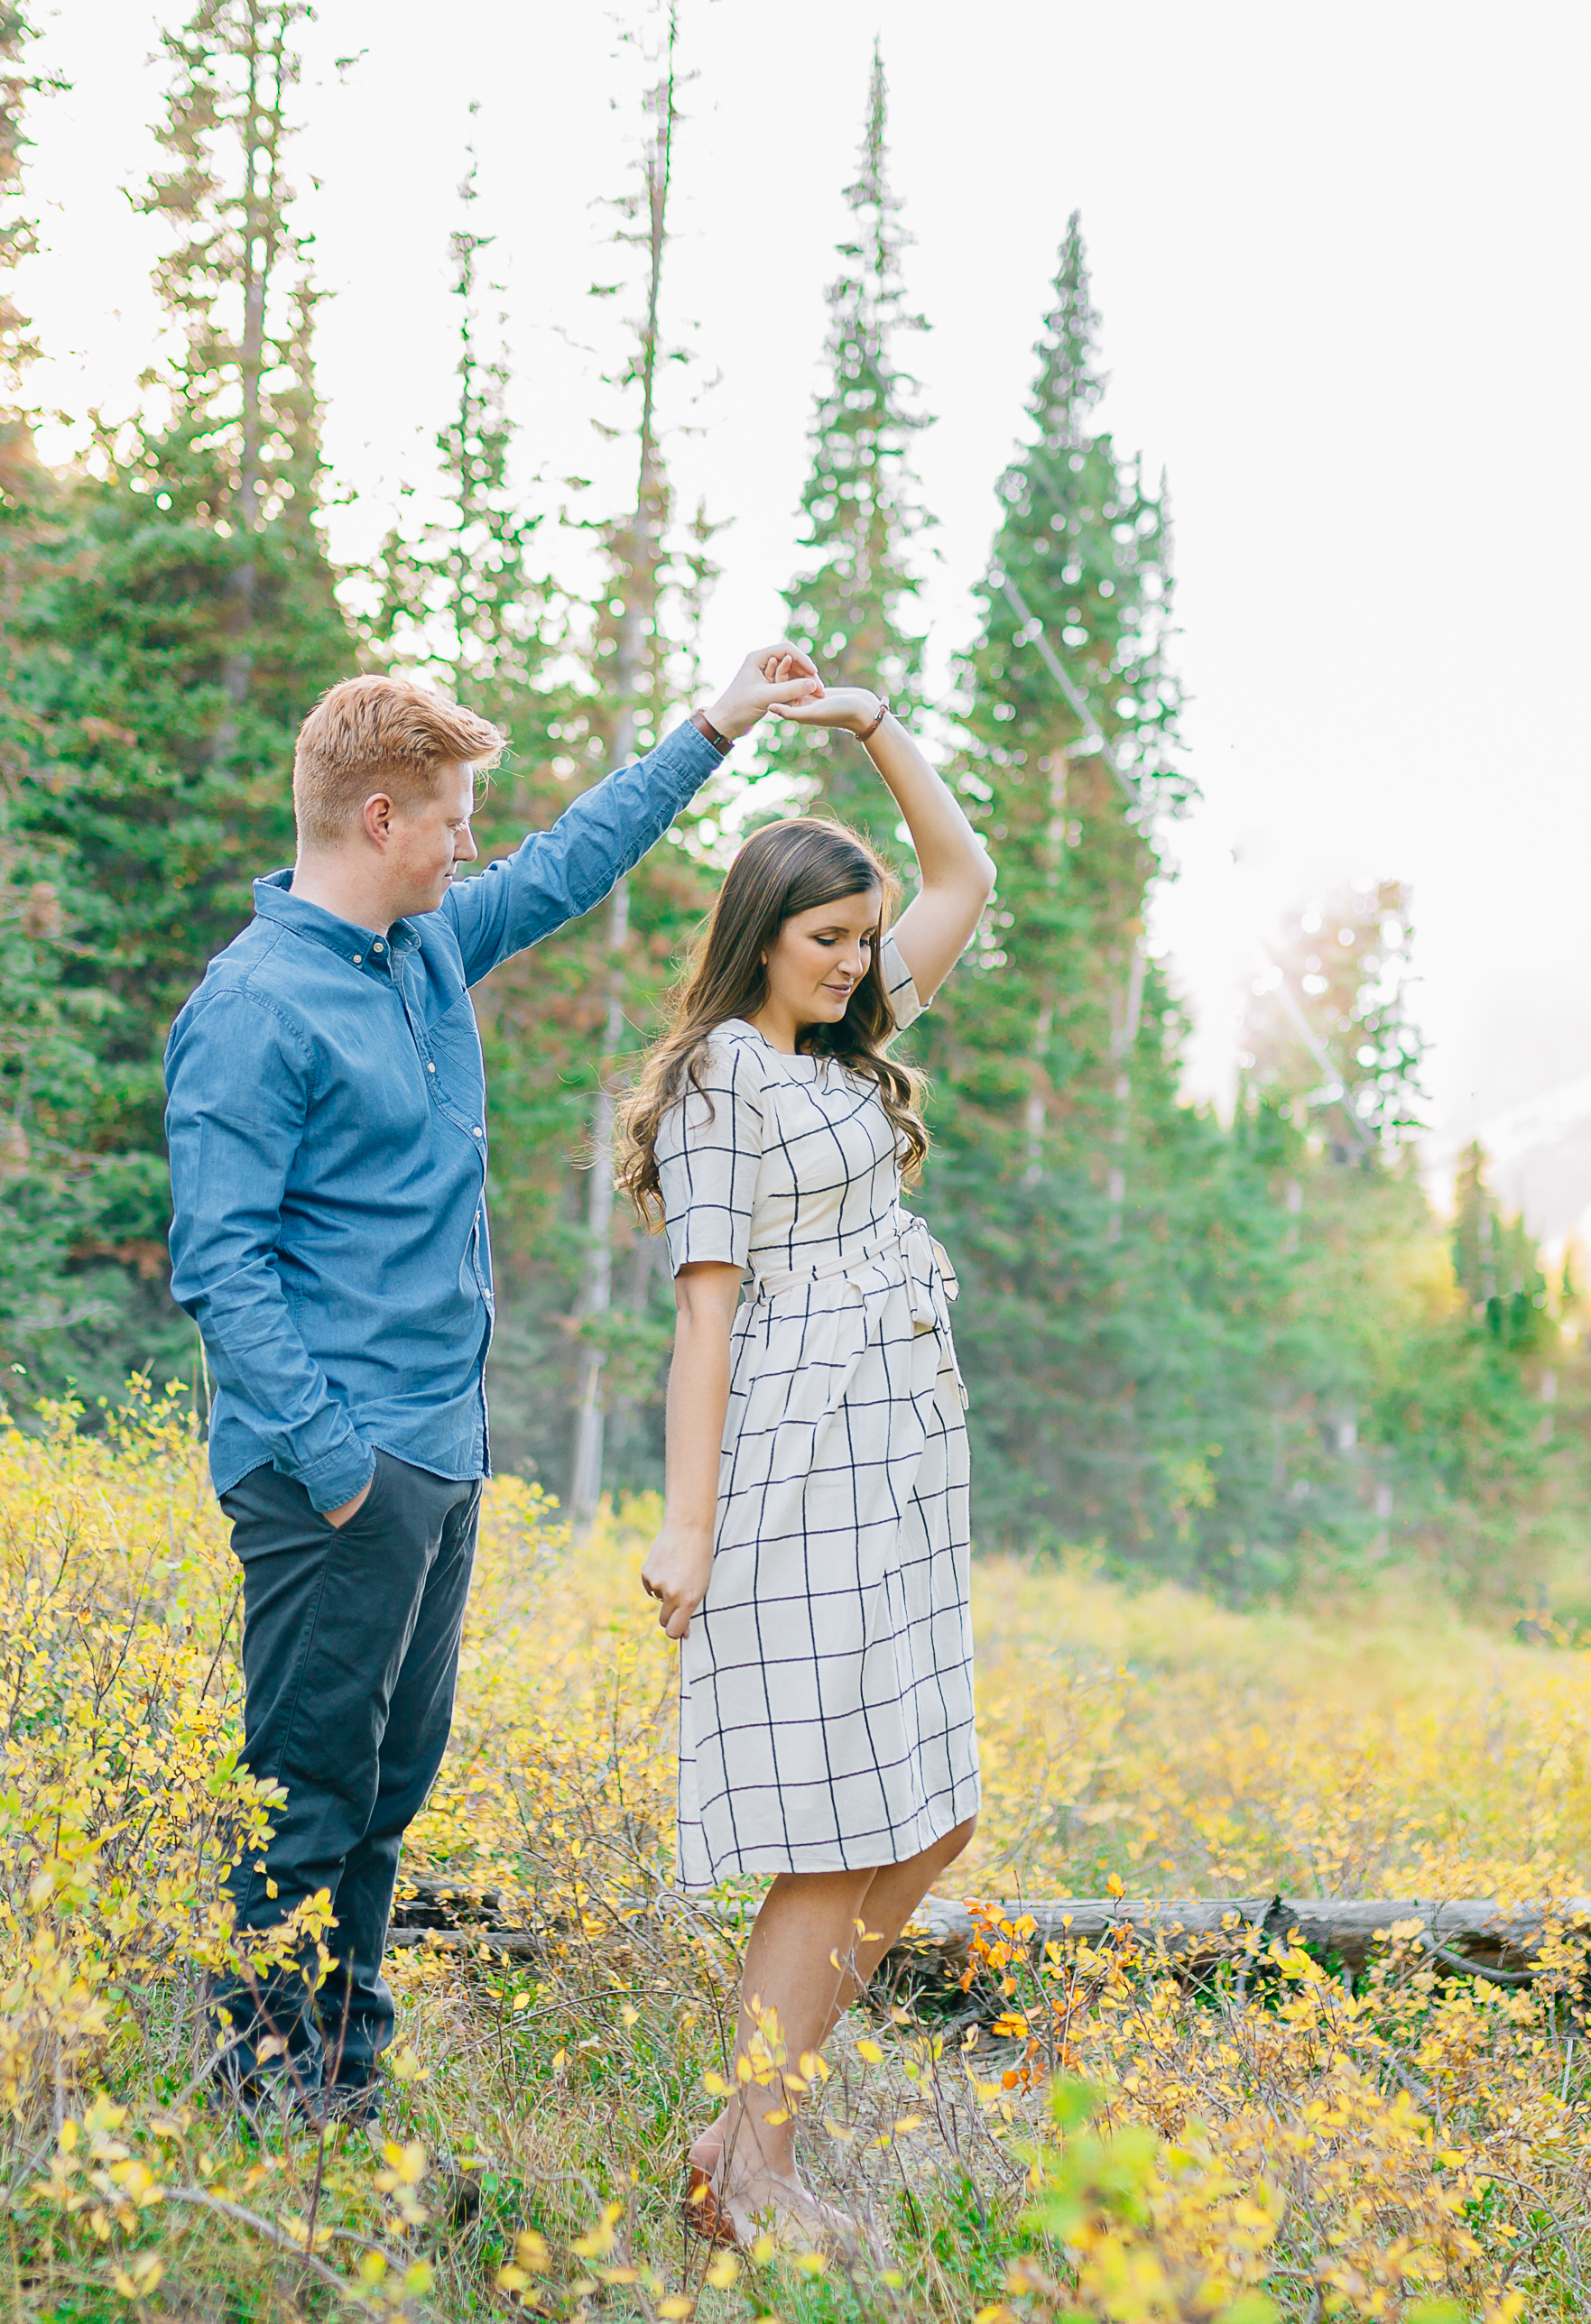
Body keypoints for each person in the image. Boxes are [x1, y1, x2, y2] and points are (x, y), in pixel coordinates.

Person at [166, 649, 829, 2123]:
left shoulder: (423, 952)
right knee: (308, 1796)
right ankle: (260, 2104)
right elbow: (222, 1268)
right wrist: (341, 1464)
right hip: (336, 1472)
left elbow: (576, 859)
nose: (475, 844)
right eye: (458, 817)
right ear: (382, 817)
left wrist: (714, 726)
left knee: (389, 1792)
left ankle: (345, 2085)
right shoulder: (254, 1006)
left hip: (437, 1461)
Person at [619, 683, 996, 2249]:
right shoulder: (722, 1077)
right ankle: (753, 2164)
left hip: (899, 1462)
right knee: (839, 1830)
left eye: (861, 938)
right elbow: (704, 1317)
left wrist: (873, 726)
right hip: (799, 1459)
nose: (853, 962)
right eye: (825, 939)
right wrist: (685, 1528)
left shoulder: (850, 1050)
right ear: (760, 933)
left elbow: (965, 875)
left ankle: (737, 2141)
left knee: (933, 1818)